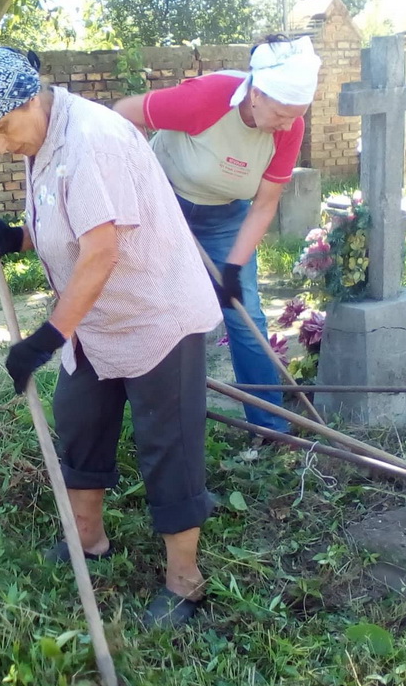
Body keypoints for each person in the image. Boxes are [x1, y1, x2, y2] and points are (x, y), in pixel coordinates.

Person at [0, 47, 221, 628]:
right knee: (80, 424)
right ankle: (88, 543)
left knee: (168, 448)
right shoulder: (44, 140)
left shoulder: (90, 139)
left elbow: (102, 250)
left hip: (155, 314)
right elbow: (67, 224)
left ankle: (184, 583)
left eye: (0, 128)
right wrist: (15, 235)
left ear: (28, 98)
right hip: (96, 321)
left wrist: (45, 338)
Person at [114, 36, 322, 434]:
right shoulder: (207, 99)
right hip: (163, 203)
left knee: (245, 316)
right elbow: (122, 113)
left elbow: (264, 204)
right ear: (257, 94)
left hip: (226, 215)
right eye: (281, 113)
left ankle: (269, 427)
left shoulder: (288, 127)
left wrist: (233, 266)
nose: (287, 124)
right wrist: (140, 178)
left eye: (296, 116)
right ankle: (161, 422)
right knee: (161, 310)